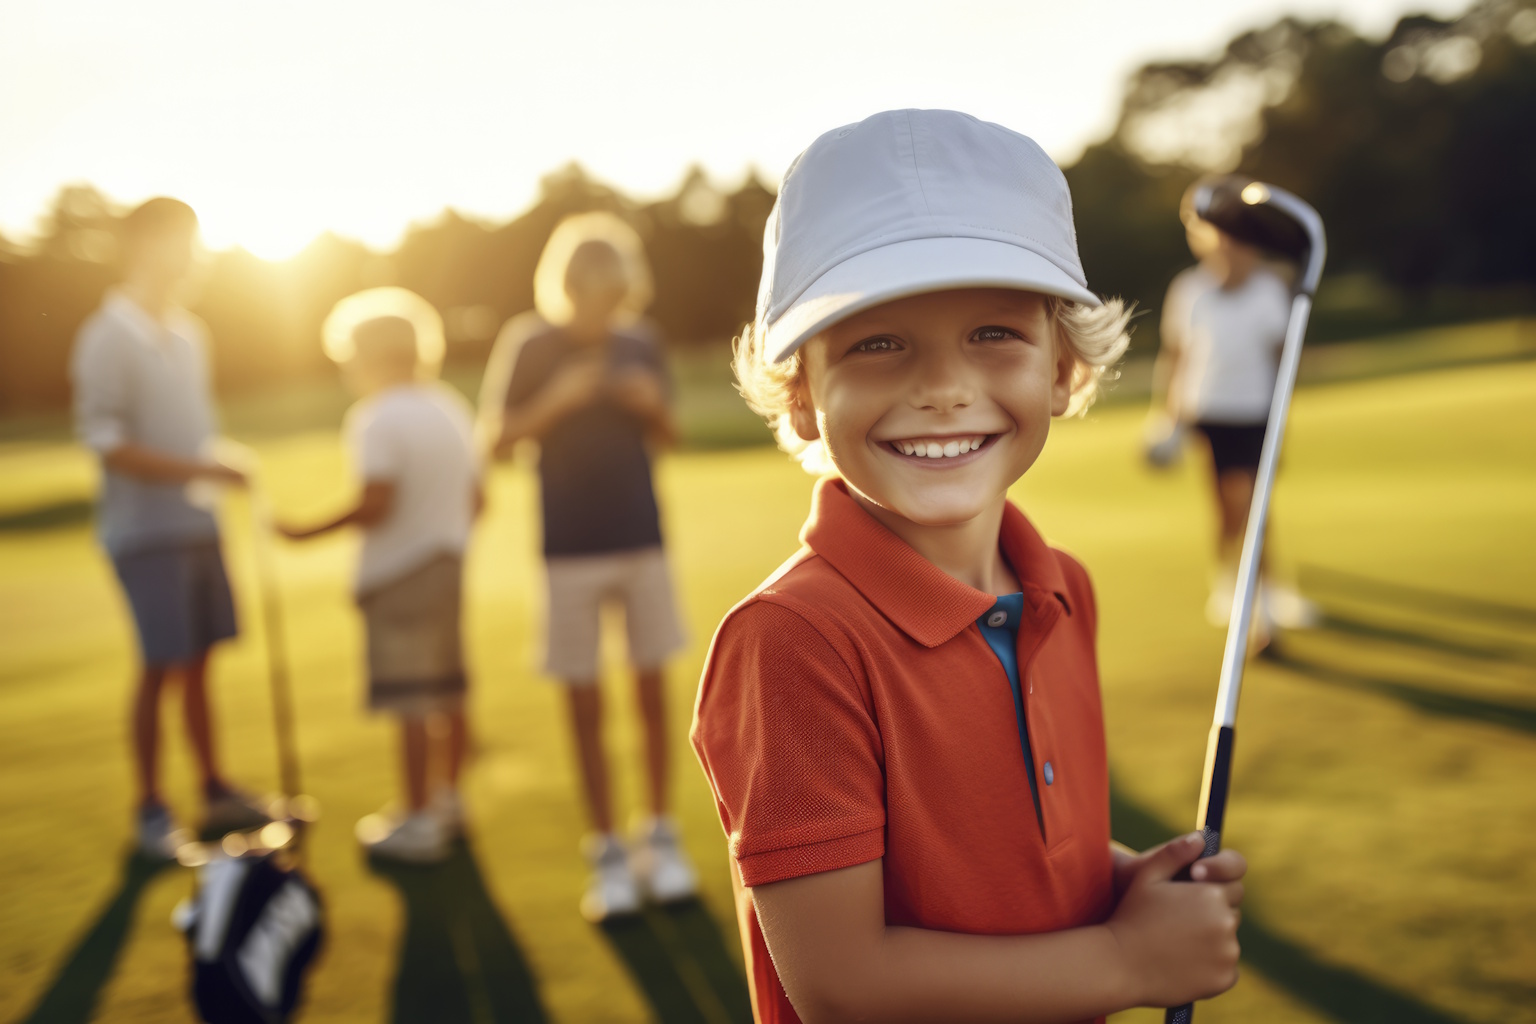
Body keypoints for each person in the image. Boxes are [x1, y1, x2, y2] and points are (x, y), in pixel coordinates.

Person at [692, 110, 1248, 1023]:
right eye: (877, 342)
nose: (943, 388)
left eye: (994, 332)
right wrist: (1127, 960)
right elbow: (843, 984)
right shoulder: (792, 642)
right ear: (800, 397)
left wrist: (1127, 883)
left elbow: (1011, 861)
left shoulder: (1062, 586)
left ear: (1063, 370)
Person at [480, 212, 695, 920]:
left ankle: (658, 836)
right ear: (567, 287)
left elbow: (672, 436)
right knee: (583, 701)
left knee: (651, 691)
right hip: (568, 547)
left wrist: (652, 406)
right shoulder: (530, 342)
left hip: (642, 540)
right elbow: (496, 440)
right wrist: (557, 400)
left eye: (614, 296)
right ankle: (606, 849)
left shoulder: (641, 341)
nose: (603, 310)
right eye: (591, 294)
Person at [71, 197, 271, 859]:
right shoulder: (106, 336)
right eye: (180, 241)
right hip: (143, 532)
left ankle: (214, 791)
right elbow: (108, 445)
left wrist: (221, 463)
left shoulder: (189, 334)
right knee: (159, 664)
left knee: (199, 661)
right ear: (142, 245)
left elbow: (192, 435)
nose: (191, 255)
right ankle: (151, 811)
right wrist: (203, 468)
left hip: (196, 522)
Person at [277, 289, 480, 864]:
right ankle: (448, 801)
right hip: (448, 566)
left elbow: (376, 502)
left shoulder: (375, 416)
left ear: (367, 356)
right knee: (447, 690)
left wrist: (302, 533)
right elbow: (478, 499)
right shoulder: (450, 407)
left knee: (411, 698)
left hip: (398, 575)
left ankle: (418, 819)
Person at [1149, 183, 1319, 637]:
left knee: (1253, 506)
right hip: (1209, 414)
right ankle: (1230, 582)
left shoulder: (1269, 290)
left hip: (1258, 414)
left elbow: (1284, 357)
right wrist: (1166, 420)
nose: (1232, 250)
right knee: (1229, 511)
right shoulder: (1190, 291)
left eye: (1240, 242)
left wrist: (1284, 414)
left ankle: (1266, 600)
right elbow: (1177, 358)